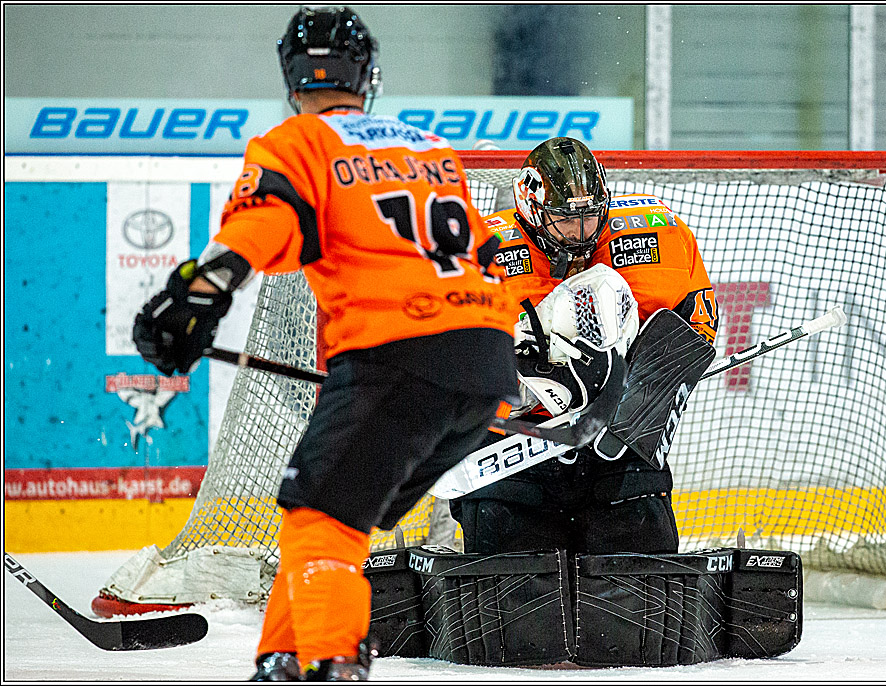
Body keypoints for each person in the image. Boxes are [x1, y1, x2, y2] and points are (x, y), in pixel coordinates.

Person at [131, 6, 516, 681]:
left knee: (320, 521)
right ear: (366, 75)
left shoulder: (299, 141)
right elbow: (485, 252)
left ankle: (331, 665)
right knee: (332, 518)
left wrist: (201, 292)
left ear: (291, 75)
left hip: (396, 351)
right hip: (485, 365)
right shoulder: (428, 147)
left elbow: (267, 224)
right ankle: (283, 659)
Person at [448, 136, 719, 558]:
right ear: (531, 210)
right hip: (516, 447)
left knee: (639, 584)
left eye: (590, 219)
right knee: (514, 595)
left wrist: (640, 385)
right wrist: (523, 384)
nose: (580, 235)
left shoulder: (657, 234)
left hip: (618, 442)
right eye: (563, 221)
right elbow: (450, 357)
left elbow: (697, 321)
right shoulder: (482, 251)